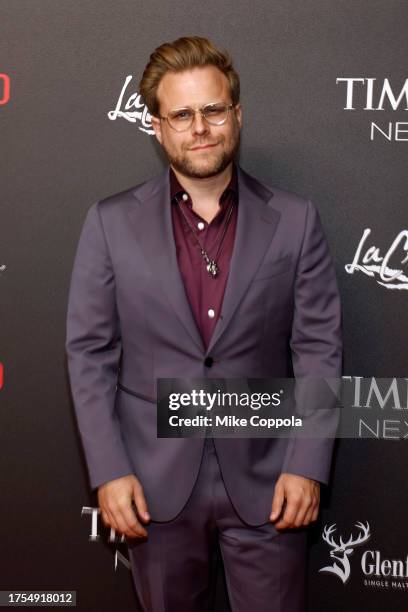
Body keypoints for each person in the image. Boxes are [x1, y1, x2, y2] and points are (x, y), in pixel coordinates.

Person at [66, 36, 342, 612]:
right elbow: (90, 354)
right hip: (153, 489)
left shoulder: (295, 220)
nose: (201, 127)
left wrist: (307, 464)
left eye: (213, 110)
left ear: (236, 115)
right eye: (182, 114)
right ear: (158, 126)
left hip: (271, 485)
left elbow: (317, 347)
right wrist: (110, 471)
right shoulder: (110, 223)